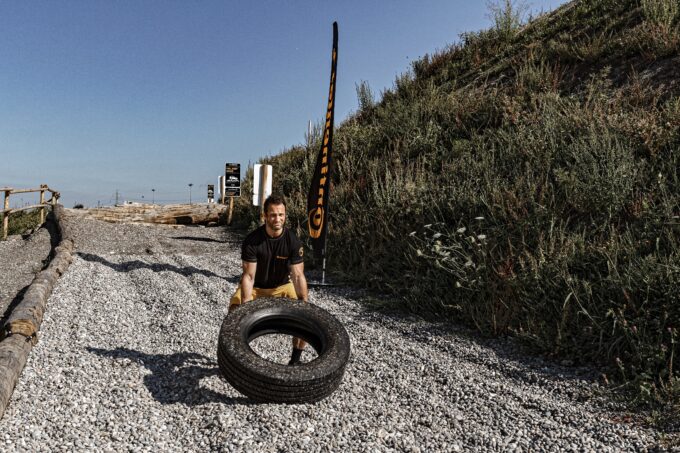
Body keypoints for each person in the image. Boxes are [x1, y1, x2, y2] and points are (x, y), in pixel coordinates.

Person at [229, 194, 309, 365]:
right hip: (257, 288)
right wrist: (245, 306)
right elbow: (249, 276)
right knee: (233, 314)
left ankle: (295, 360)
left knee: (307, 320)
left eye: (281, 214)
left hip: (282, 286)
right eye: (273, 215)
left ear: (285, 215)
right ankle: (236, 359)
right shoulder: (252, 241)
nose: (277, 219)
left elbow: (298, 275)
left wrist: (304, 302)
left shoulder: (293, 242)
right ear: (265, 216)